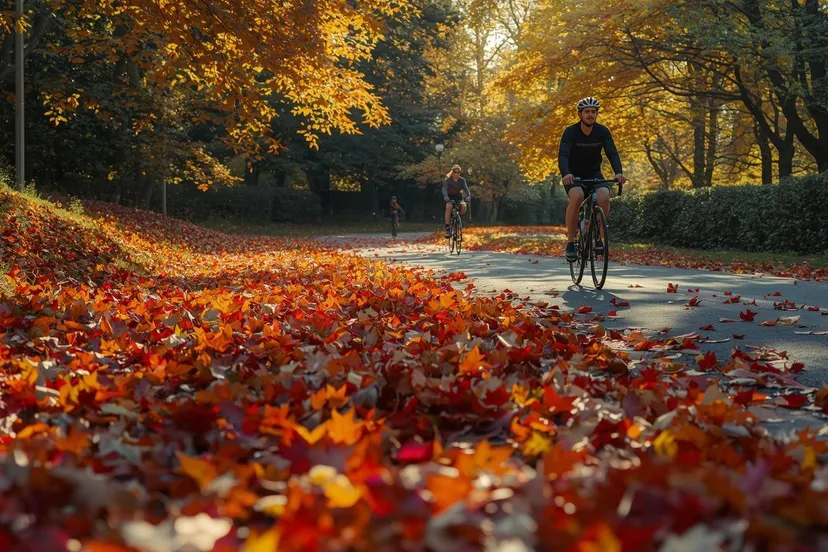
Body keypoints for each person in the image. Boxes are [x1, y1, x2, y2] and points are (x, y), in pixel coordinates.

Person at [558, 96, 626, 262]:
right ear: (580, 114)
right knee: (577, 196)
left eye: (593, 112)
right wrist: (566, 173)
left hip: (594, 173)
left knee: (604, 196)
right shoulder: (571, 132)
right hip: (573, 174)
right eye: (587, 112)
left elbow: (612, 153)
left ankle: (598, 238)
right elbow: (563, 154)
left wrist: (618, 172)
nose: (590, 115)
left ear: (597, 114)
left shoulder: (602, 131)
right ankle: (570, 243)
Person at [442, 164, 471, 238]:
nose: (457, 174)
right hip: (449, 197)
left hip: (458, 196)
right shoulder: (448, 180)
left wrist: (468, 196)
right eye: (455, 172)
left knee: (463, 206)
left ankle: (458, 221)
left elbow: (466, 189)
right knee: (449, 207)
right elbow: (444, 189)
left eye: (458, 172)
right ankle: (448, 228)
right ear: (452, 172)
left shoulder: (462, 180)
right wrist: (445, 196)